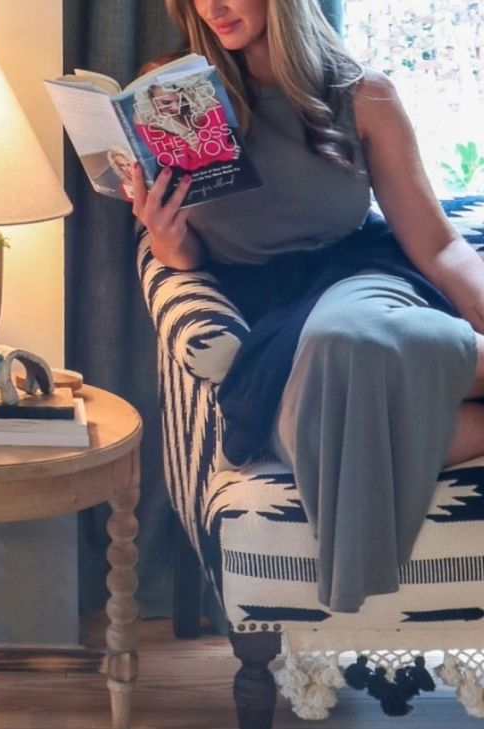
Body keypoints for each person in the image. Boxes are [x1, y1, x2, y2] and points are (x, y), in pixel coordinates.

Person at [131, 0, 484, 612]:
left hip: (360, 281)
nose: (211, 7)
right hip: (267, 322)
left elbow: (438, 244)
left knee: (347, 335)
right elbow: (186, 260)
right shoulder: (175, 94)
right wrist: (163, 233)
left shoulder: (363, 95)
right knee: (317, 418)